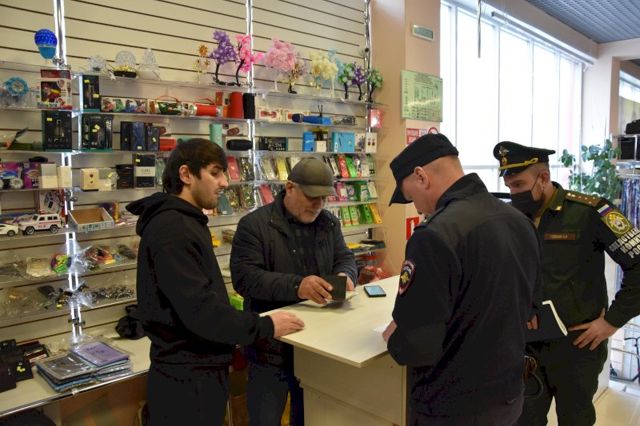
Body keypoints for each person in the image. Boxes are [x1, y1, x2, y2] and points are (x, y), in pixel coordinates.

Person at [126, 138, 305, 426]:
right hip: (188, 382)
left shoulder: (186, 222)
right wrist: (266, 326)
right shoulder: (173, 229)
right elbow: (202, 312)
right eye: (214, 173)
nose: (224, 182)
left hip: (197, 373)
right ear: (186, 174)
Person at [382, 133, 541, 425]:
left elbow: (416, 346)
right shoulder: (519, 220)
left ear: (421, 177)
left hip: (453, 404)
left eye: (411, 197)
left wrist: (394, 337)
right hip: (508, 394)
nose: (417, 208)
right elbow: (528, 304)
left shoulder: (435, 235)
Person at [492, 141, 640, 426]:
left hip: (578, 345)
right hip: (527, 345)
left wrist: (612, 321)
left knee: (575, 419)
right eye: (509, 186)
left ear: (543, 177)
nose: (514, 193)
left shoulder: (589, 211)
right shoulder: (512, 218)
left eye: (519, 185)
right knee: (523, 420)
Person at [230, 157, 358, 426]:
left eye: (324, 198)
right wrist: (298, 286)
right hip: (269, 349)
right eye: (312, 197)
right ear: (289, 187)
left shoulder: (328, 223)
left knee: (310, 419)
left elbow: (345, 257)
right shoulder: (254, 225)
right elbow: (245, 279)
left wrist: (346, 275)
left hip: (317, 346)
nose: (319, 204)